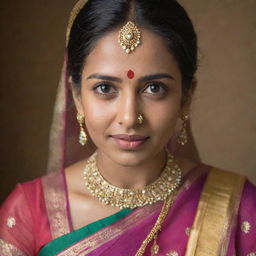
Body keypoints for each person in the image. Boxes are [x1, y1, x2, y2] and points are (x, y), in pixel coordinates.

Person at [0, 0, 255, 255]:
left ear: (186, 97)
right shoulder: (29, 212)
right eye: (105, 88)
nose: (130, 117)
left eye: (154, 88)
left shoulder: (237, 207)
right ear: (77, 96)